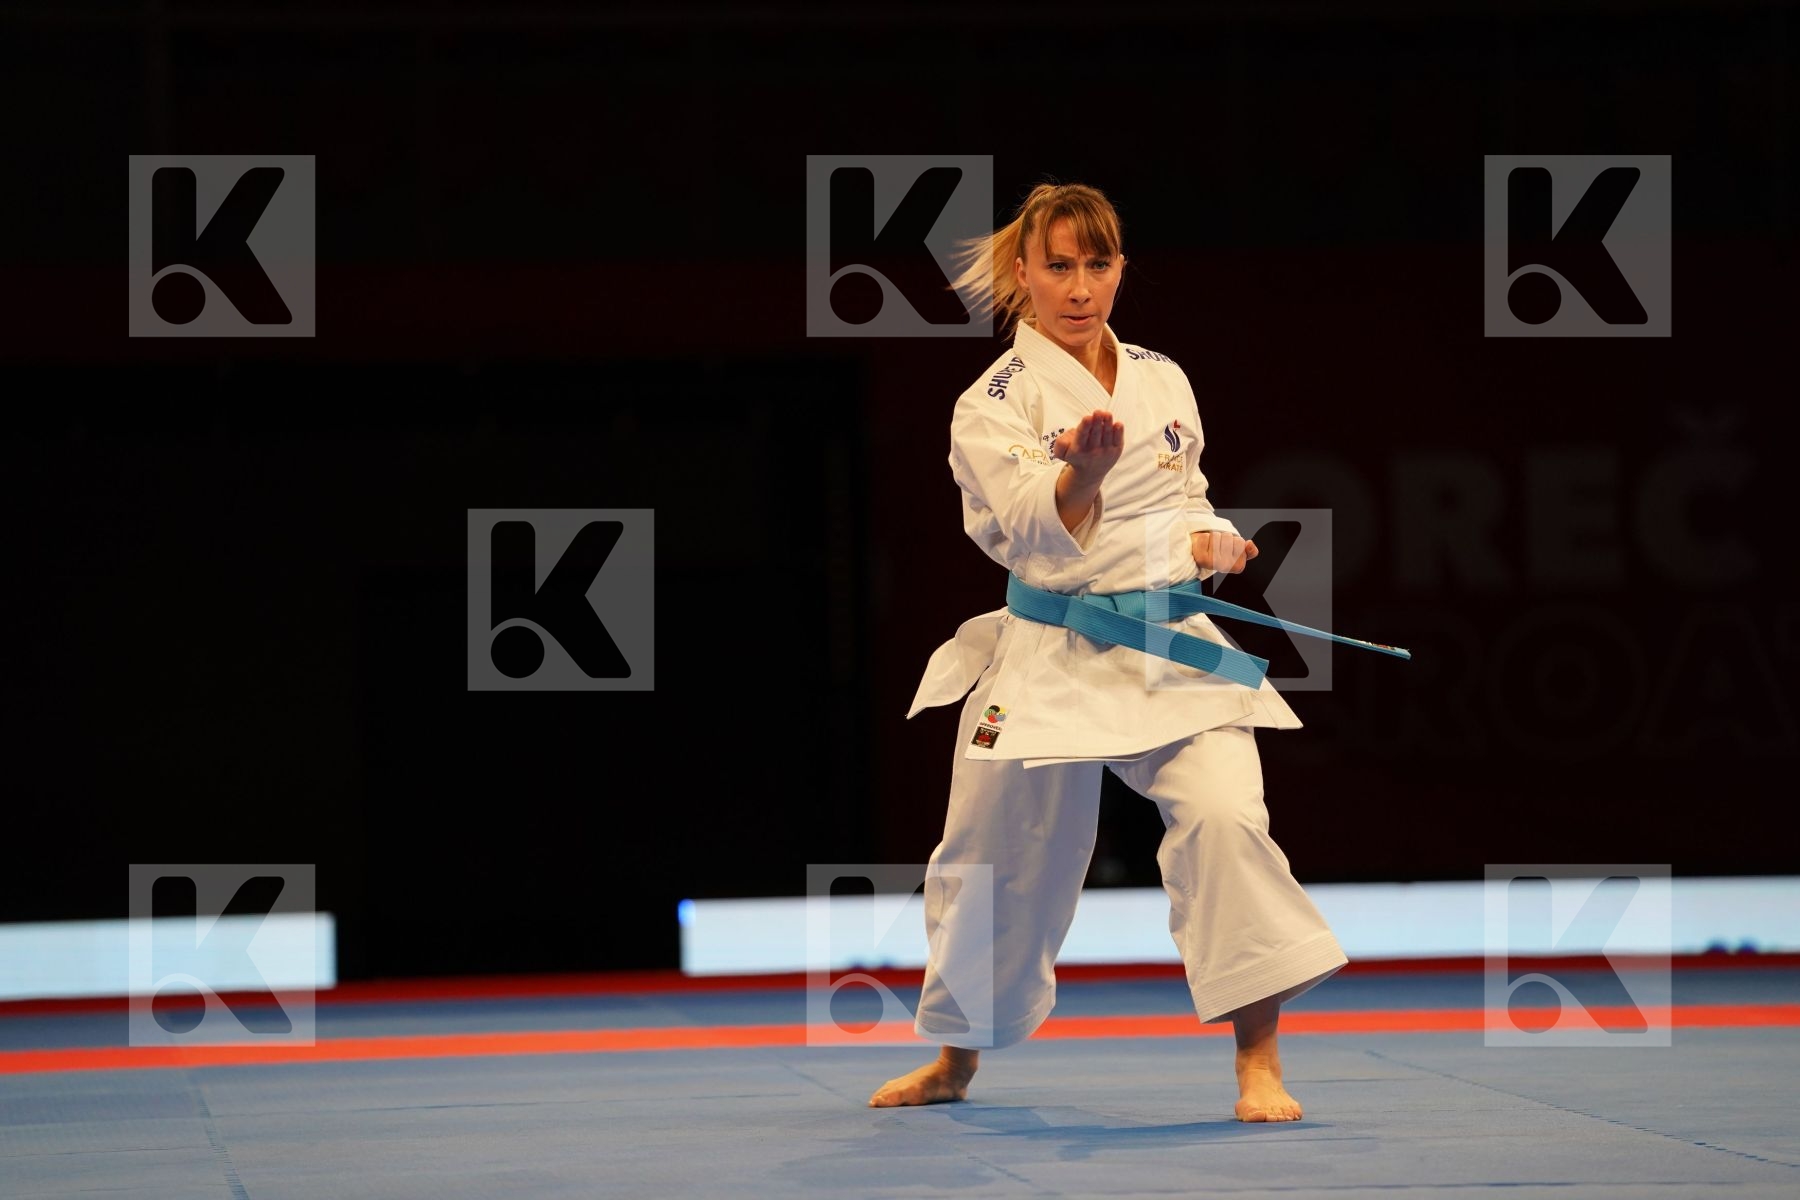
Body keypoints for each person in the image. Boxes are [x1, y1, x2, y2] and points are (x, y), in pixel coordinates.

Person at [867, 181, 1347, 1122]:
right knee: (987, 856)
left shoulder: (1164, 375)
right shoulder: (990, 403)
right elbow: (1026, 530)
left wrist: (1213, 540)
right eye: (1059, 266)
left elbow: (1188, 491)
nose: (1079, 286)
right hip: (1049, 650)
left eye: (1097, 264)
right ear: (1024, 275)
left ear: (1120, 269)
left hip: (1168, 644)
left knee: (1224, 819)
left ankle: (1259, 1061)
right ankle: (956, 1060)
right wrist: (1078, 477)